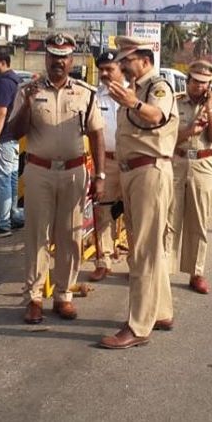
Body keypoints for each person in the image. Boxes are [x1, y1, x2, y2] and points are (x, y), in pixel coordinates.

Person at [9, 33, 105, 324]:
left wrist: (99, 175)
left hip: (75, 172)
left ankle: (64, 295)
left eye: (63, 57)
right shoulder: (27, 89)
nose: (58, 62)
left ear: (71, 60)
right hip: (39, 171)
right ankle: (35, 297)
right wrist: (26, 104)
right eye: (53, 56)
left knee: (70, 236)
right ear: (46, 59)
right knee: (37, 235)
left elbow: (96, 134)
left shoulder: (85, 93)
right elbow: (14, 132)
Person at [98, 36, 178, 350]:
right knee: (146, 245)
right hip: (133, 172)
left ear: (144, 60)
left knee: (143, 250)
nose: (121, 64)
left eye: (126, 59)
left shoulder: (157, 87)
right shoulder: (134, 89)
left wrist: (133, 103)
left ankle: (138, 325)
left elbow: (157, 116)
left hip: (150, 171)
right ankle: (161, 312)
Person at [167, 60, 212, 295]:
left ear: (210, 85)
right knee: (170, 218)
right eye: (195, 81)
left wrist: (209, 110)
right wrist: (189, 131)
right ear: (188, 80)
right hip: (177, 162)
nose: (198, 87)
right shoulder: (175, 102)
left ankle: (196, 272)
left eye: (204, 83)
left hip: (203, 163)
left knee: (199, 220)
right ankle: (166, 269)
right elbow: (167, 137)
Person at [89, 49, 126, 282]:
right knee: (104, 212)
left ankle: (136, 263)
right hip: (107, 161)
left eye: (109, 69)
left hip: (133, 162)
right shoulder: (94, 96)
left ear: (121, 69)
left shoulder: (136, 94)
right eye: (101, 69)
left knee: (133, 213)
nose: (104, 73)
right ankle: (104, 260)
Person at [0, 48, 24, 237]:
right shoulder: (14, 80)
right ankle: (13, 215)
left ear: (2, 62)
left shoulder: (4, 83)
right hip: (12, 138)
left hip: (4, 139)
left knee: (2, 182)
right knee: (11, 179)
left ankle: (2, 223)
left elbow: (1, 112)